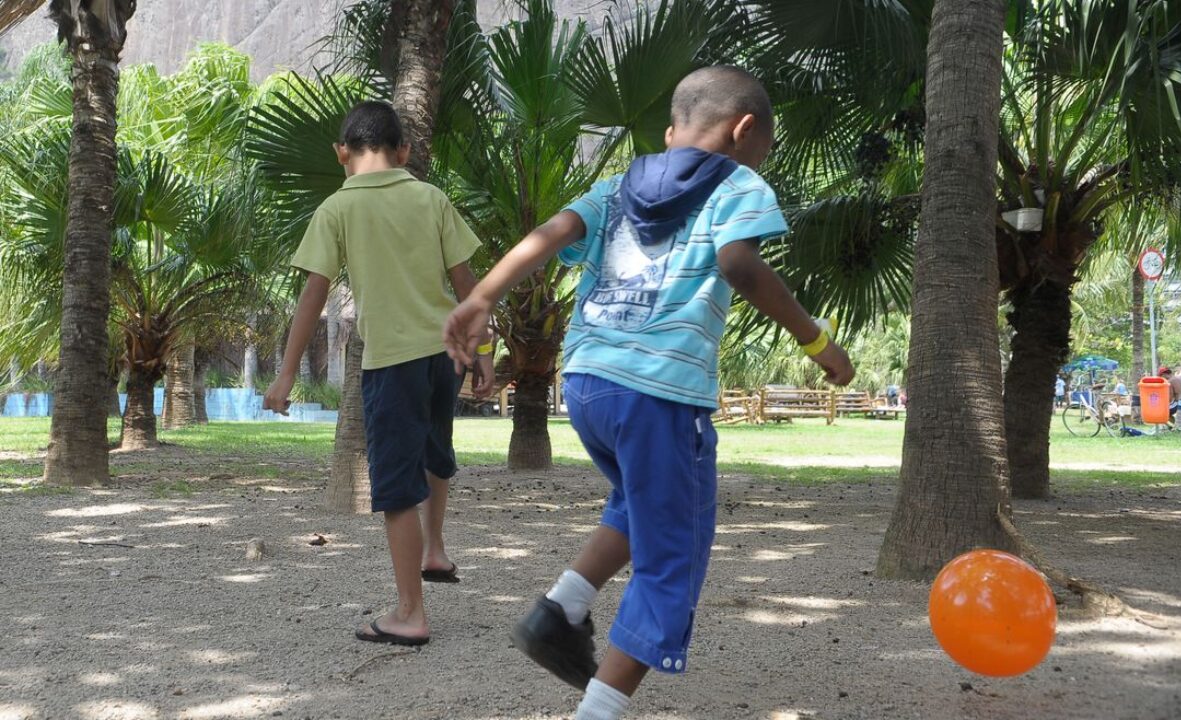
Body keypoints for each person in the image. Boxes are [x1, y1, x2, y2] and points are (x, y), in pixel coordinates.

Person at [443, 66, 854, 720]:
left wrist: (481, 297)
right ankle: (598, 712)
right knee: (672, 557)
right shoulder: (738, 181)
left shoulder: (619, 183)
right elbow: (739, 264)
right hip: (660, 392)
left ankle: (562, 609)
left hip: (587, 384)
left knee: (639, 504)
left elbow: (551, 233)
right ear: (745, 130)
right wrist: (815, 340)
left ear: (671, 131)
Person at [264, 101, 494, 645]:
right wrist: (483, 350)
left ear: (341, 153)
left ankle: (410, 614)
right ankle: (435, 550)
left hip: (393, 362)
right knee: (436, 453)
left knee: (394, 489)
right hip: (447, 356)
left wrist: (286, 373)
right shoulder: (431, 197)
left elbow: (312, 297)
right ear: (405, 152)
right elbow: (468, 284)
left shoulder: (336, 209)